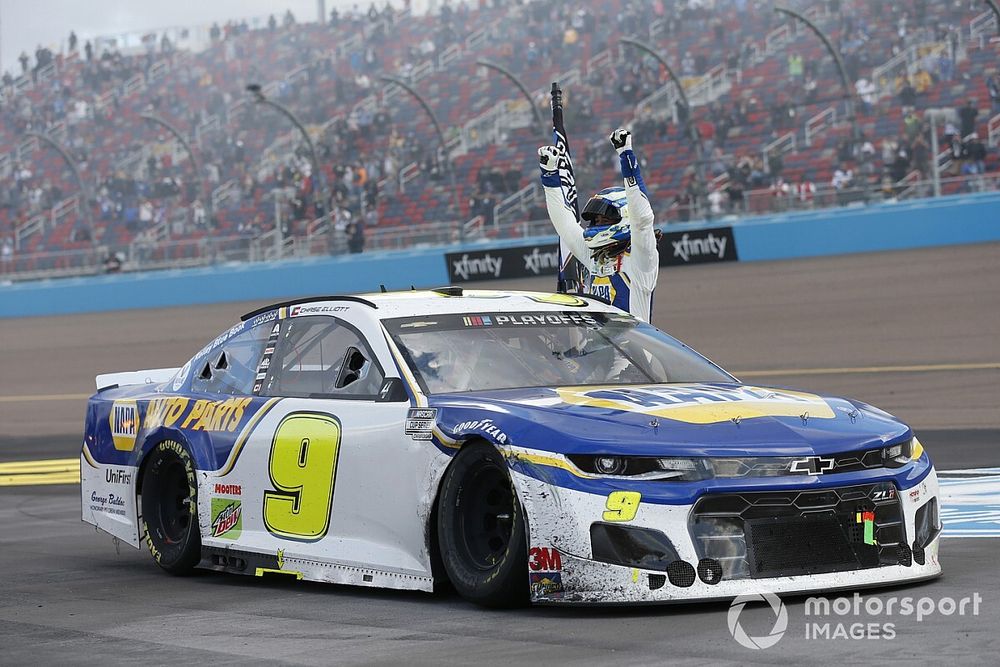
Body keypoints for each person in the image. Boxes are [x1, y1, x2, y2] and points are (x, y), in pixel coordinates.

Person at [537, 128, 659, 322]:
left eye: (605, 219)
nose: (597, 224)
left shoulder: (641, 259)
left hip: (632, 352)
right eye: (596, 220)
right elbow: (565, 224)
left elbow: (642, 221)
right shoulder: (595, 258)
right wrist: (549, 176)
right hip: (595, 351)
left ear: (625, 217)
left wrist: (626, 157)